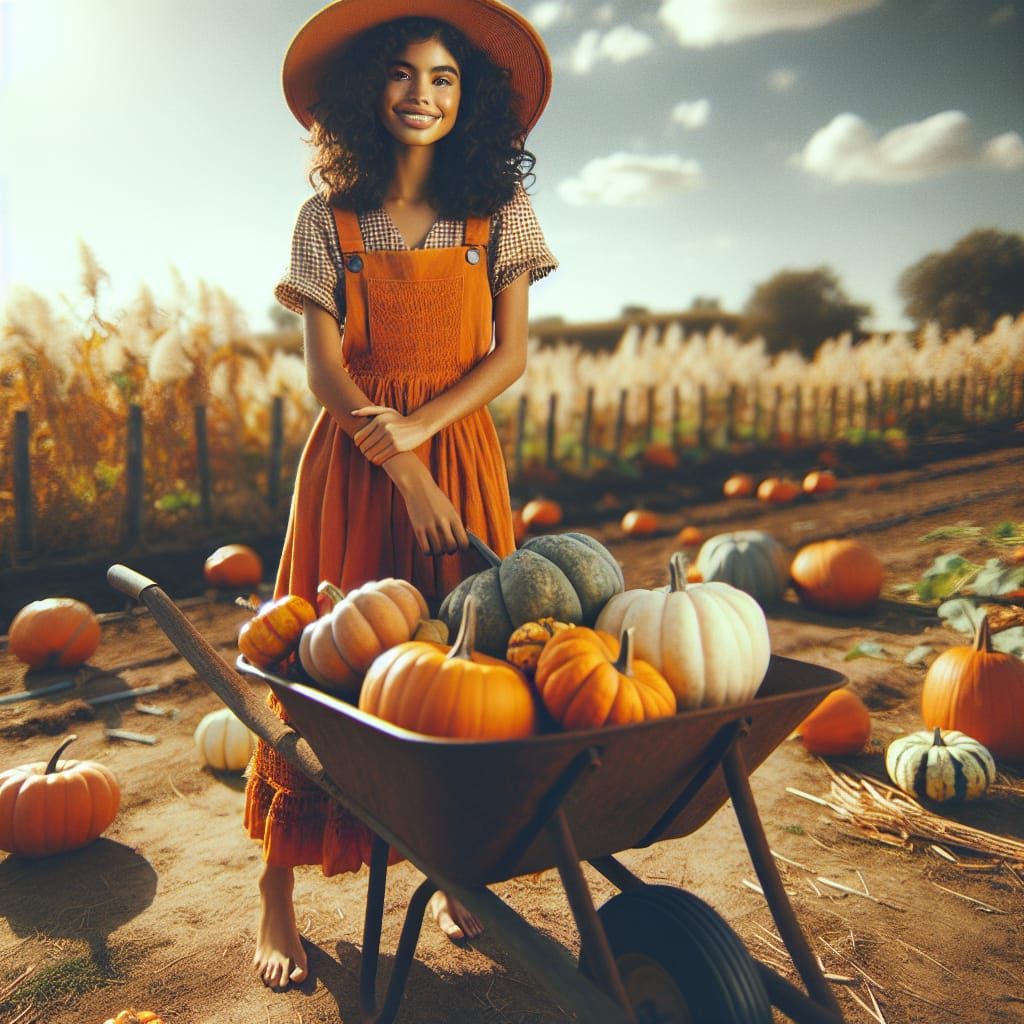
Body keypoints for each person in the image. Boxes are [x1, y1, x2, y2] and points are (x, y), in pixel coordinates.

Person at [244, 0, 558, 991]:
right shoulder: (325, 221)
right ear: (362, 91)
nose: (422, 95)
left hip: (460, 449)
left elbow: (508, 356)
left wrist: (426, 433)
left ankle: (452, 866)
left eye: (444, 78)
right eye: (401, 74)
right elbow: (326, 374)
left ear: (470, 100)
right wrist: (401, 459)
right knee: (326, 666)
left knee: (458, 658)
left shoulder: (497, 211)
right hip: (357, 461)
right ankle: (277, 889)